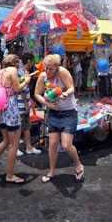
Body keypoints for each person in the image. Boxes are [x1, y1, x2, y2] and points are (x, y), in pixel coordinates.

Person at [35, 54, 85, 183]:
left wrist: (65, 93)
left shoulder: (63, 72)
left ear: (57, 68)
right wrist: (48, 104)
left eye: (51, 69)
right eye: (46, 68)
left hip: (69, 113)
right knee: (52, 144)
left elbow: (72, 88)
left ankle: (79, 166)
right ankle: (51, 172)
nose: (47, 71)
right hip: (53, 113)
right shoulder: (43, 76)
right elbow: (37, 94)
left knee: (66, 145)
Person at [0, 54, 31, 183]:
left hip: (0, 109)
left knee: (5, 141)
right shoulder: (13, 71)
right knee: (14, 144)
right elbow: (17, 89)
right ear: (15, 63)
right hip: (10, 108)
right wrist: (26, 80)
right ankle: (10, 175)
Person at [17, 52, 41, 156]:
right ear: (29, 61)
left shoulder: (24, 71)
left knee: (26, 126)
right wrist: (27, 104)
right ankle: (15, 148)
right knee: (19, 127)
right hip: (21, 104)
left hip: (24, 102)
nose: (33, 64)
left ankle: (28, 147)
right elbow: (21, 90)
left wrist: (30, 100)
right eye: (33, 61)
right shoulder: (21, 72)